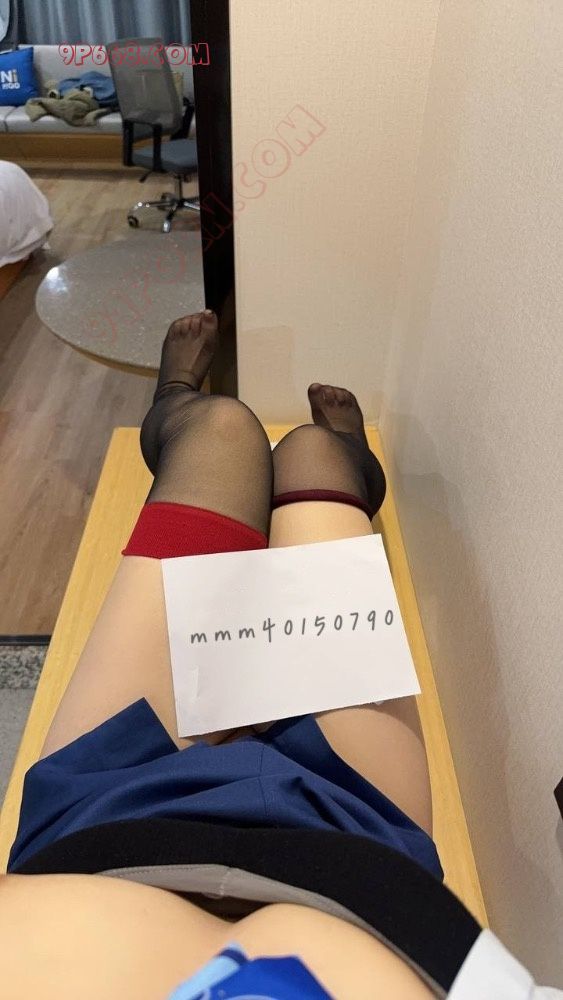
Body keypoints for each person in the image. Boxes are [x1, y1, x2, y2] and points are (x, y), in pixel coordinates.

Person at [1, 311, 560, 999]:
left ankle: (173, 405)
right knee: (311, 455)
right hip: (350, 820)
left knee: (221, 431)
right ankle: (352, 468)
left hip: (109, 809)